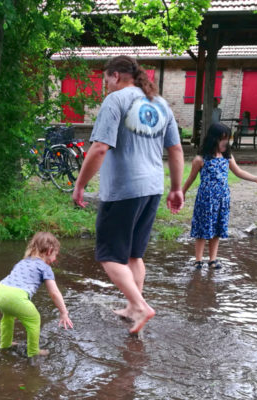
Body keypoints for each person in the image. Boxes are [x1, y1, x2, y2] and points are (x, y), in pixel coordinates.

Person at [72, 55, 184, 335]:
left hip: (123, 190)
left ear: (117, 76)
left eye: (105, 79)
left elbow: (99, 148)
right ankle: (134, 308)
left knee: (108, 255)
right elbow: (176, 150)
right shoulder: (161, 104)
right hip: (153, 188)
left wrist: (80, 184)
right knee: (134, 254)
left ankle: (140, 305)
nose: (104, 85)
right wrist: (176, 188)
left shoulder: (116, 100)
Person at [182, 122, 257, 269]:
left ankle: (212, 260)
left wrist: (256, 179)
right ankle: (198, 260)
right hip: (206, 200)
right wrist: (182, 192)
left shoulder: (227, 157)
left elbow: (239, 172)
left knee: (216, 229)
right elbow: (190, 178)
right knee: (202, 230)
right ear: (213, 139)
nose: (225, 142)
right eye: (222, 138)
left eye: (227, 139)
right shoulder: (200, 159)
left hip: (222, 200)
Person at [0, 232, 73, 358]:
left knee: (8, 317)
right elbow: (54, 293)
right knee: (34, 319)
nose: (55, 259)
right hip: (15, 297)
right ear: (49, 250)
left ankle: (5, 344)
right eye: (55, 254)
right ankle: (34, 351)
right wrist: (63, 312)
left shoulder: (22, 262)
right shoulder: (45, 268)